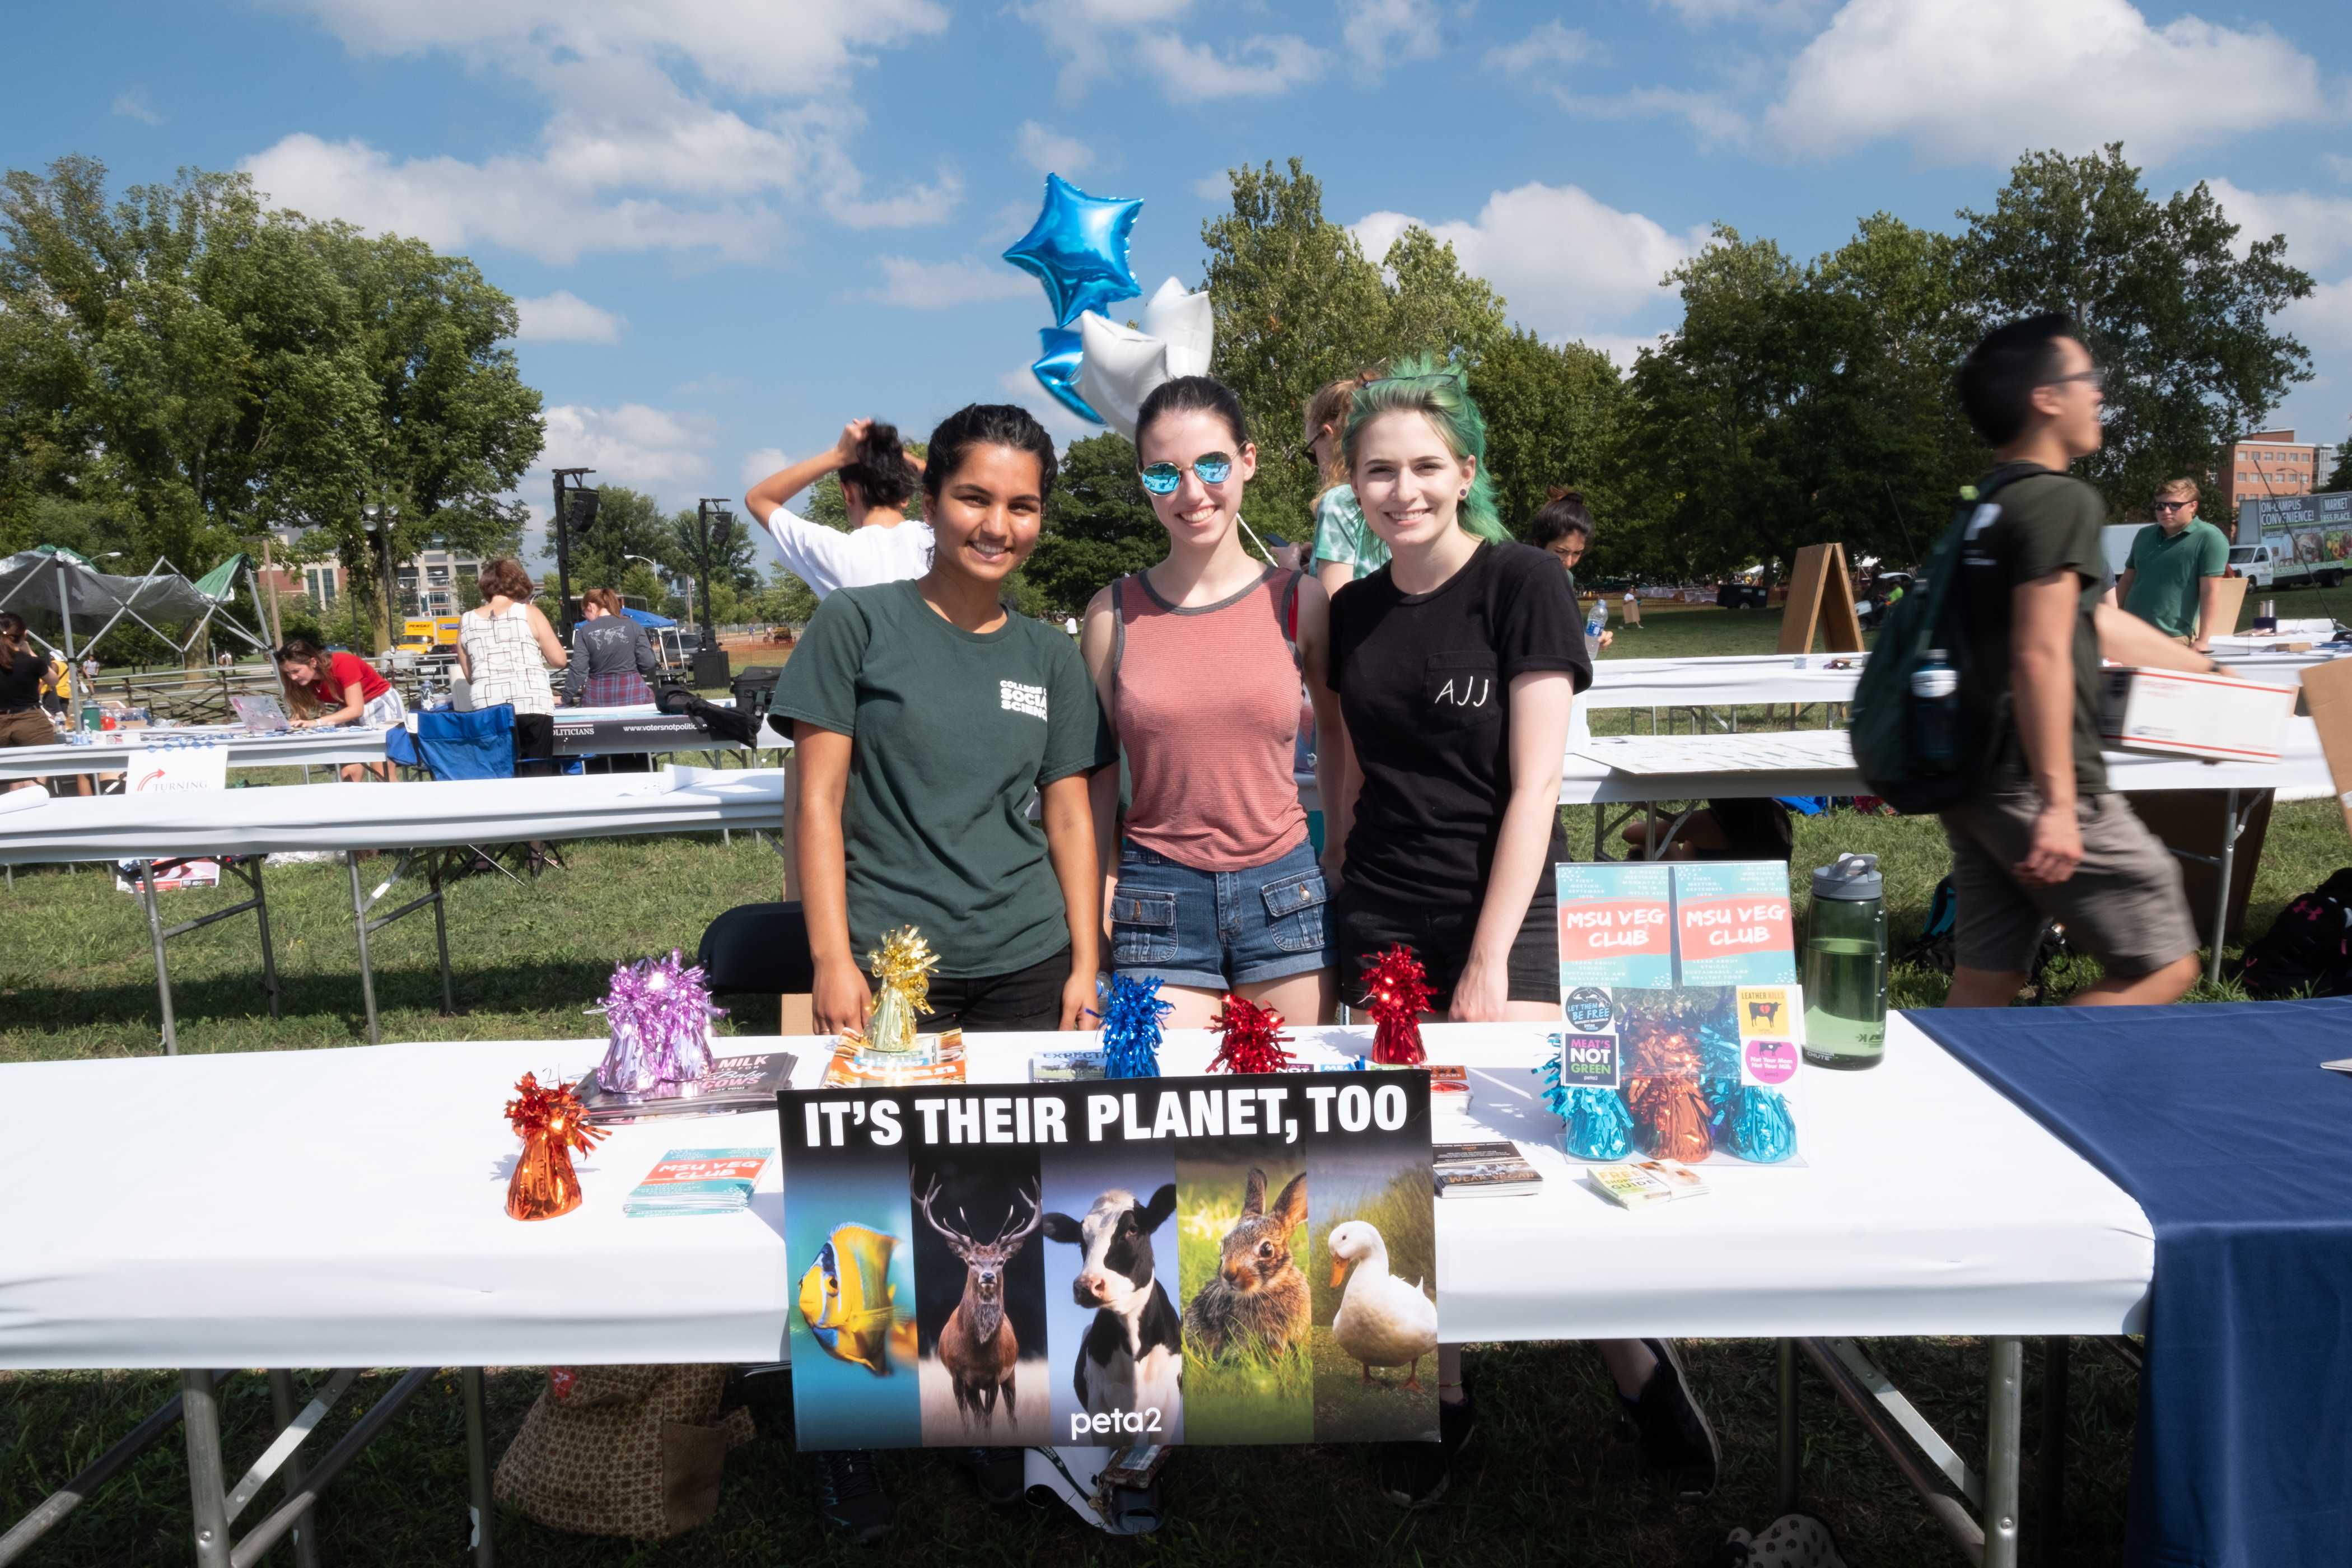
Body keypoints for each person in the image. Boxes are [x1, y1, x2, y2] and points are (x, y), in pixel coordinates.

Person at [1323, 358, 1718, 1506]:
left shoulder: (1524, 580)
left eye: (1425, 467)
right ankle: (1429, 1390)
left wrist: (1493, 955)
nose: (1403, 489)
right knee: (1404, 1167)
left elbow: (1537, 786)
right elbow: (1352, 762)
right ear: (1354, 483)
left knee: (1539, 1160)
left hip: (1510, 904)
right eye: (1379, 470)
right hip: (1386, 911)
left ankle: (1635, 1360)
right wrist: (1346, 868)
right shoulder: (1349, 609)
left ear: (1467, 475)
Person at [772, 402, 1113, 1542]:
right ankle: (852, 1435)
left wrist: (1086, 959)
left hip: (1025, 961)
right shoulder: (858, 627)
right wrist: (830, 955)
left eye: (1021, 504)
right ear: (931, 500)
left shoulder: (1050, 654)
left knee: (1003, 1210)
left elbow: (1071, 813)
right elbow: (814, 801)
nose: (996, 523)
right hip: (887, 972)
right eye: (975, 496)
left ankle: (997, 1423)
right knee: (864, 1205)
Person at [1942, 314, 2217, 1009]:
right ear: (2046, 397)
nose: (2099, 395)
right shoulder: (2062, 499)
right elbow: (2039, 651)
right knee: (2166, 965)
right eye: (2087, 380)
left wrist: (2207, 674)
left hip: (1975, 779)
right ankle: (2042, 1092)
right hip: (2037, 781)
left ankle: (1940, 1108)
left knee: (1986, 981)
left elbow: (2094, 620)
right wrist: (2062, 804)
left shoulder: (1989, 503)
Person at [1080, 375, 1340, 1028]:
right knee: (1168, 1118)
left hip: (1285, 891)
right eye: (1165, 475)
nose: (1193, 493)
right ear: (1144, 481)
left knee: (1288, 1117)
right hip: (1155, 897)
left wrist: (1338, 853)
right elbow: (1097, 775)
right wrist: (1099, 895)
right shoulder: (1112, 614)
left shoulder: (1301, 601)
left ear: (1247, 461)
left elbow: (1337, 739)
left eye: (1212, 465)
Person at [743, 418, 932, 599]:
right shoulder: (939, 540)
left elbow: (758, 499)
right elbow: (955, 483)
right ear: (906, 495)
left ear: (847, 493)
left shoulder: (833, 552)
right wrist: (918, 464)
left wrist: (838, 456)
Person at [456, 558, 568, 780]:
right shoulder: (529, 612)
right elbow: (559, 660)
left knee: (499, 773)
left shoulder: (466, 620)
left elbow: (470, 675)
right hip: (531, 700)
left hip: (488, 705)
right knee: (537, 771)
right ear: (518, 583)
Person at [2117, 477, 2230, 651]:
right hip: (2129, 634)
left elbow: (2210, 592)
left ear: (2193, 506)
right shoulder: (2144, 535)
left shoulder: (2210, 538)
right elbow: (2126, 581)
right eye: (2160, 506)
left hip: (2172, 638)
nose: (2166, 511)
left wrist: (2203, 640)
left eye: (2175, 505)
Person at [276, 636, 407, 783]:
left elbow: (356, 710)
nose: (293, 677)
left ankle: (398, 804)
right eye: (288, 673)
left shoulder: (343, 663)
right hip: (347, 708)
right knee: (348, 776)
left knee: (382, 774)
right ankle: (352, 804)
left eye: (296, 671)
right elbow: (299, 712)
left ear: (313, 662)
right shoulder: (301, 680)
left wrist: (316, 722)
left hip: (379, 703)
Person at [1304, 368, 1388, 595]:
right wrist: (1318, 561)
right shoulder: (1389, 493)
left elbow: (1333, 605)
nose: (1316, 463)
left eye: (1311, 452)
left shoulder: (1339, 501)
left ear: (1328, 434)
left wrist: (1289, 571)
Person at [1527, 488, 1612, 651]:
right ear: (1538, 544)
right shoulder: (1516, 575)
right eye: (1560, 552)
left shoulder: (1567, 577)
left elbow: (1561, 630)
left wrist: (1590, 640)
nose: (1568, 562)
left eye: (1577, 553)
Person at [0, 614, 63, 791]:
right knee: (35, 778)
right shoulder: (32, 662)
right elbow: (54, 680)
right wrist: (30, 652)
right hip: (30, 721)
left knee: (13, 775)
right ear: (24, 634)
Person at [564, 589, 657, 707]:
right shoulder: (634, 626)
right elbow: (648, 662)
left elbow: (578, 669)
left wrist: (566, 698)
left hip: (598, 695)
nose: (585, 617)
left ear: (591, 606)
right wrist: (631, 673)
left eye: (584, 613)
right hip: (633, 692)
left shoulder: (585, 631)